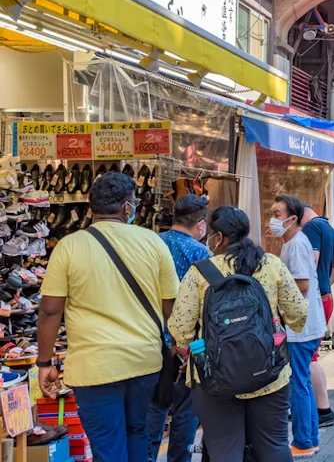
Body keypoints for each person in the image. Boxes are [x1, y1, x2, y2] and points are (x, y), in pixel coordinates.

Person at [37, 172, 180, 462]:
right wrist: (180, 345)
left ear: (91, 209)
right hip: (144, 362)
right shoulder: (152, 242)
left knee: (106, 443)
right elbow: (172, 307)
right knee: (137, 431)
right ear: (127, 208)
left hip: (93, 367)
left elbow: (50, 310)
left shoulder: (69, 246)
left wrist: (44, 362)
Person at [169, 206, 309, 461]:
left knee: (225, 450)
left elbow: (180, 329)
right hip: (270, 374)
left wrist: (188, 344)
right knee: (274, 445)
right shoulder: (271, 264)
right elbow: (299, 314)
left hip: (213, 378)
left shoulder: (199, 272)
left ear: (219, 237)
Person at [146, 195, 210, 462]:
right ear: (202, 225)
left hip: (151, 337)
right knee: (186, 409)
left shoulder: (152, 244)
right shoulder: (199, 252)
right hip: (186, 342)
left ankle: (146, 456)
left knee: (154, 408)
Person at [270, 195, 326, 458]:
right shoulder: (294, 243)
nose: (273, 219)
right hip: (304, 324)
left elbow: (301, 284)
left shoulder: (295, 245)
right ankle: (309, 438)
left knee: (298, 383)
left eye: (277, 213)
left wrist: (273, 287)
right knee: (302, 382)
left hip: (300, 327)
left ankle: (303, 441)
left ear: (292, 218)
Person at [301, 205, 334, 429]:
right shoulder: (328, 227)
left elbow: (311, 260)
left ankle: (323, 410)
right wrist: (326, 285)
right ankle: (313, 406)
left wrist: (311, 289)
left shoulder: (311, 228)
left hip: (313, 300)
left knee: (308, 357)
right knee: (309, 355)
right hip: (324, 298)